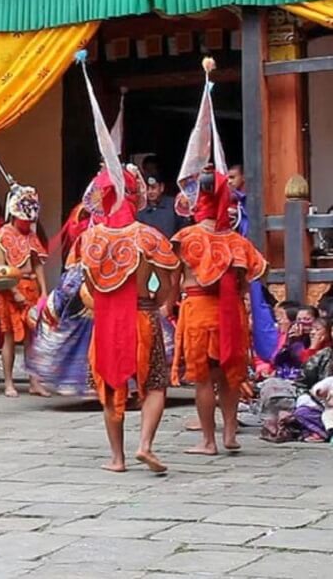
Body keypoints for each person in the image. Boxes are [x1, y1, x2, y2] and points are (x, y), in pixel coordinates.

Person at [72, 164, 180, 472]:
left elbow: (90, 286)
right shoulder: (148, 237)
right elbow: (166, 280)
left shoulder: (90, 239)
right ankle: (145, 445)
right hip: (143, 316)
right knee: (156, 383)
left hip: (105, 322)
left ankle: (117, 459)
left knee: (109, 387)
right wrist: (157, 300)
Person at [171, 167, 267, 455]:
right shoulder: (237, 241)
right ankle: (229, 434)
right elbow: (254, 276)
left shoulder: (186, 237)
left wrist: (166, 303)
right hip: (231, 314)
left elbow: (174, 279)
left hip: (198, 311)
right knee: (229, 376)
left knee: (204, 379)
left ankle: (208, 442)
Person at [0, 184, 49, 397]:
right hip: (10, 289)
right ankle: (8, 382)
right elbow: (0, 268)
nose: (27, 222)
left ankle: (35, 381)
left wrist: (44, 291)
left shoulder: (31, 235)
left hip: (31, 287)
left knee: (33, 339)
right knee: (8, 337)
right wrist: (14, 291)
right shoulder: (3, 235)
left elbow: (38, 263)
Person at [137, 173, 182, 241]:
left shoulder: (174, 205)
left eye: (153, 188)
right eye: (147, 188)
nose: (150, 192)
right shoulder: (140, 209)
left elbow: (183, 229)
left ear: (161, 187)